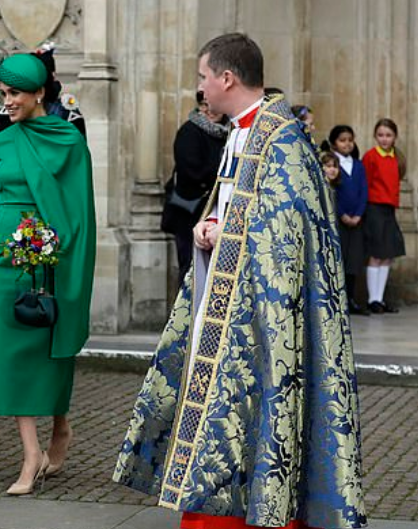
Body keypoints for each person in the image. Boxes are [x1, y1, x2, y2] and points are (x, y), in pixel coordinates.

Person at [113, 33, 367, 529]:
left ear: (227, 78)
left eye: (203, 77)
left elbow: (285, 237)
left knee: (255, 417)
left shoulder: (282, 139)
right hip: (224, 301)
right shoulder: (238, 131)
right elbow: (237, 207)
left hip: (261, 317)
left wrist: (224, 232)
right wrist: (212, 225)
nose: (200, 87)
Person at [0, 53, 95, 496]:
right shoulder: (0, 140)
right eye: (3, 93)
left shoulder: (68, 138)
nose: (7, 101)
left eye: (15, 93)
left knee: (50, 347)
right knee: (11, 354)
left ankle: (61, 426)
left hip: (50, 253)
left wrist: (56, 247)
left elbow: (79, 205)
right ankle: (30, 454)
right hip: (5, 255)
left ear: (39, 93)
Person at [161, 91, 227, 279]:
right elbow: (191, 171)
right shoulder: (189, 131)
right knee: (190, 267)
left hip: (214, 210)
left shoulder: (227, 132)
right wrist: (221, 175)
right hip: (190, 211)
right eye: (204, 105)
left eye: (212, 104)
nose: (209, 110)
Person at [362, 118, 406, 314]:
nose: (384, 139)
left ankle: (379, 299)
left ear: (395, 137)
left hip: (389, 210)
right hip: (374, 208)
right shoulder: (371, 157)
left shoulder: (397, 158)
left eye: (388, 135)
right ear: (375, 136)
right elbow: (366, 183)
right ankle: (372, 300)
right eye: (380, 135)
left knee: (387, 255)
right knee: (376, 254)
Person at [326, 124, 369, 316]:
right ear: (334, 143)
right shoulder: (333, 164)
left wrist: (358, 214)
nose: (347, 144)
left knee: (353, 261)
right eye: (342, 140)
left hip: (356, 221)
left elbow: (363, 191)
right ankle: (337, 299)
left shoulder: (358, 165)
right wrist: (342, 214)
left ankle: (351, 298)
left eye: (350, 140)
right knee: (340, 259)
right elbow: (333, 194)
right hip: (339, 220)